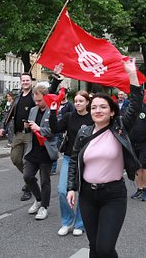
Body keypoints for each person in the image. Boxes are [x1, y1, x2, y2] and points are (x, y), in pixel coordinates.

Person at [67, 58, 143, 258]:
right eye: (94, 108)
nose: (97, 110)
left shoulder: (119, 127)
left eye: (102, 107)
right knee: (94, 246)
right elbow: (74, 160)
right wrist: (71, 188)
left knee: (106, 248)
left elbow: (135, 104)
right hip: (87, 195)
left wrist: (131, 73)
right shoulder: (84, 133)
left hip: (113, 195)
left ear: (111, 112)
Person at [0, 66, 62, 201]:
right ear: (21, 81)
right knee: (15, 159)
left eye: (28, 80)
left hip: (32, 134)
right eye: (23, 80)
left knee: (27, 162)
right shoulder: (17, 97)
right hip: (18, 132)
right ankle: (31, 179)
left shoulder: (35, 96)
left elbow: (49, 93)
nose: (25, 82)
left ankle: (28, 186)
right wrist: (2, 126)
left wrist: (55, 78)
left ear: (31, 81)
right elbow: (9, 113)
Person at [49, 90, 93, 236]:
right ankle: (67, 222)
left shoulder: (93, 117)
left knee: (83, 192)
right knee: (63, 190)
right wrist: (53, 111)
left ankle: (80, 224)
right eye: (76, 101)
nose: (78, 103)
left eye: (81, 101)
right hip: (70, 158)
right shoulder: (69, 116)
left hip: (88, 160)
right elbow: (55, 129)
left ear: (87, 102)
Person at [23, 84, 59, 220]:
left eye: (39, 101)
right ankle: (38, 199)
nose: (37, 103)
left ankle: (44, 206)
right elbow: (29, 129)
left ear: (46, 98)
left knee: (45, 181)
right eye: (35, 100)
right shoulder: (33, 110)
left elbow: (54, 130)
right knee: (27, 176)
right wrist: (27, 127)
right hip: (33, 150)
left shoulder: (53, 110)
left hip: (46, 151)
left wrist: (39, 129)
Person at [50, 88, 74, 175]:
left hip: (63, 131)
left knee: (60, 149)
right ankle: (52, 168)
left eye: (63, 94)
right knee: (53, 148)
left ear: (66, 94)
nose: (61, 95)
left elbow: (72, 118)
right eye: (59, 94)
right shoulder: (56, 103)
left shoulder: (70, 105)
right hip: (55, 128)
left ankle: (66, 166)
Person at [129, 93, 146, 201]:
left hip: (144, 143)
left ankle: (144, 189)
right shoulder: (131, 109)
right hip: (133, 143)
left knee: (144, 167)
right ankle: (139, 189)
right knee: (137, 167)